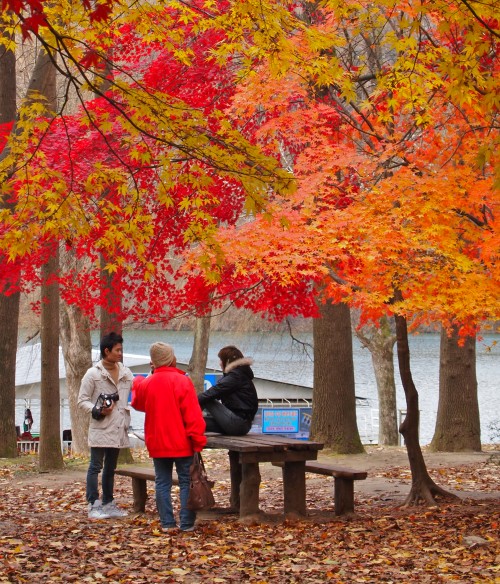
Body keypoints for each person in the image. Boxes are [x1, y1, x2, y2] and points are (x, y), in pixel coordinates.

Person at [131, 342, 207, 532]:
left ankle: (167, 523)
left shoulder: (147, 383)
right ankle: (186, 523)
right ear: (172, 359)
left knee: (162, 482)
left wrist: (144, 377)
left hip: (158, 442)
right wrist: (198, 440)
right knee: (186, 481)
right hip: (182, 442)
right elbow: (193, 415)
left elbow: (138, 403)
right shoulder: (182, 382)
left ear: (153, 362)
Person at [78, 331, 133, 520]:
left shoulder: (126, 372)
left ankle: (109, 503)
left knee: (111, 468)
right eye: (117, 350)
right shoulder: (93, 374)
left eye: (121, 350)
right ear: (106, 351)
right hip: (101, 427)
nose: (120, 353)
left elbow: (136, 393)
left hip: (119, 428)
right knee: (95, 466)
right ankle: (93, 504)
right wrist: (97, 410)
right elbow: (82, 400)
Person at [198, 345, 258, 436]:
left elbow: (210, 394)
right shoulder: (239, 375)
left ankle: (182, 416)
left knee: (207, 399)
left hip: (237, 423)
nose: (220, 363)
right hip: (241, 425)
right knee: (194, 424)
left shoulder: (235, 376)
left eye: (221, 360)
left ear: (227, 361)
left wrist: (184, 405)